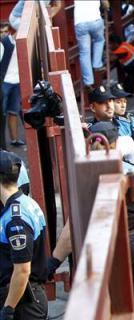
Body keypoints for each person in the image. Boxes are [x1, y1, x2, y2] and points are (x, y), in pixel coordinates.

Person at [88, 123, 134, 319]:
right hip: (133, 244)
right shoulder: (133, 172)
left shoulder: (83, 174)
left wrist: (54, 260)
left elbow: (72, 229)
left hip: (100, 247)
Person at [0, 150, 48, 320]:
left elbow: (22, 270)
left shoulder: (15, 219)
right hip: (28, 297)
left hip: (23, 303)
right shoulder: (26, 203)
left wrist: (8, 309)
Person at [74, 0, 109, 88]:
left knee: (84, 52)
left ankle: (88, 81)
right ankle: (97, 64)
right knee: (99, 40)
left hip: (80, 23)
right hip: (95, 20)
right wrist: (107, 7)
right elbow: (106, 4)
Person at [0, 22, 24, 147]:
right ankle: (2, 144)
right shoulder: (4, 43)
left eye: (5, 31)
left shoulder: (22, 43)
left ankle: (14, 140)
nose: (3, 34)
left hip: (17, 81)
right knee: (2, 114)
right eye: (1, 32)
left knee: (13, 112)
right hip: (4, 82)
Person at [111, 83, 134, 149]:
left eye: (124, 101)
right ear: (110, 103)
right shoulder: (111, 122)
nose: (123, 105)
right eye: (118, 102)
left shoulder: (131, 118)